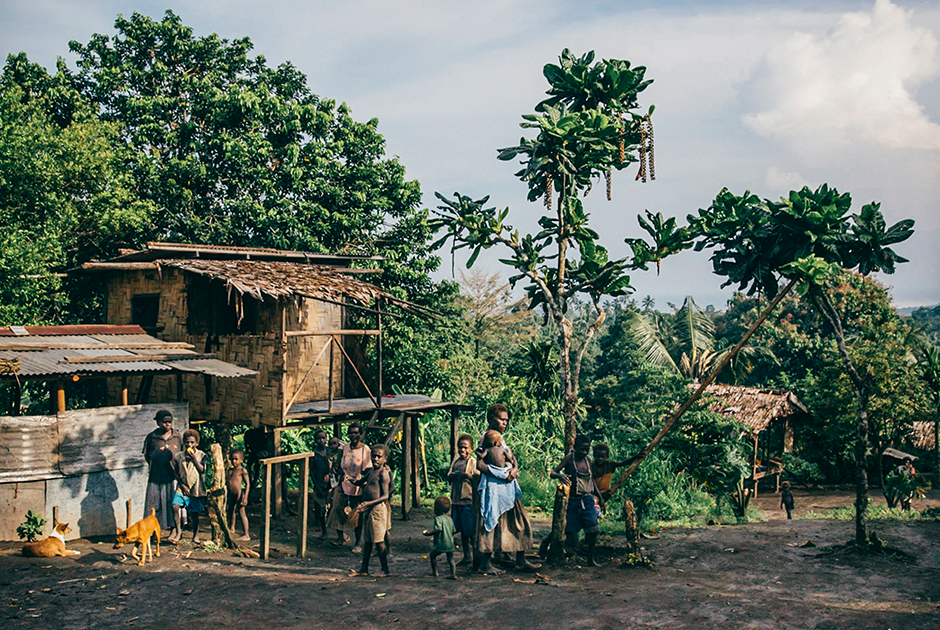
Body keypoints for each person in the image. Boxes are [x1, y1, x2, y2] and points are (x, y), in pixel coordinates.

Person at [473, 403, 541, 575]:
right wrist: (499, 474)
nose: (504, 423)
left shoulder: (501, 439)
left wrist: (514, 470)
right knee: (490, 523)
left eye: (506, 420)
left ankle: (520, 558)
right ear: (491, 419)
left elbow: (512, 458)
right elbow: (480, 464)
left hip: (508, 487)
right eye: (501, 419)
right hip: (493, 489)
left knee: (519, 520)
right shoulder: (485, 438)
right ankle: (485, 564)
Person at [551, 435, 605, 566]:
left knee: (593, 529)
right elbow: (552, 472)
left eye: (586, 449)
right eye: (582, 449)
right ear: (575, 448)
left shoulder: (587, 461)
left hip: (586, 499)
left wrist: (601, 499)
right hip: (572, 501)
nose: (584, 452)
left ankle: (591, 559)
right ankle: (570, 556)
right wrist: (560, 475)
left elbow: (592, 481)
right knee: (571, 531)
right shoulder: (569, 459)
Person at [326, 423, 371, 551]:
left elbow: (368, 470)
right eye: (351, 433)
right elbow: (340, 465)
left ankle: (357, 543)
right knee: (337, 509)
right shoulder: (345, 448)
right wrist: (338, 473)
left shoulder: (365, 450)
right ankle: (340, 538)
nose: (353, 435)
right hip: (343, 484)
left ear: (360, 434)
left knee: (357, 515)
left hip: (358, 486)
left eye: (356, 432)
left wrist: (358, 480)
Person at [350, 444, 393, 577]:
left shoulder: (383, 474)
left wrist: (369, 503)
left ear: (384, 459)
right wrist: (351, 480)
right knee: (368, 541)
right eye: (373, 456)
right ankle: (364, 569)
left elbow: (385, 496)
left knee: (379, 541)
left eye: (378, 457)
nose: (375, 459)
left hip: (377, 509)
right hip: (368, 509)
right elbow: (361, 482)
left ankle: (385, 570)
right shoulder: (370, 472)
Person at [142, 409, 182, 535]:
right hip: (155, 476)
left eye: (169, 422)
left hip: (172, 477)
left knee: (172, 505)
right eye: (164, 422)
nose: (167, 424)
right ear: (158, 423)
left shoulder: (177, 437)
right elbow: (147, 456)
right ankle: (152, 532)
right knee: (153, 506)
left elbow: (182, 455)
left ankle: (173, 530)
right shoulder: (152, 437)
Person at [169, 429, 207, 543]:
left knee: (194, 513)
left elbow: (202, 470)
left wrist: (194, 459)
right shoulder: (178, 456)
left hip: (196, 488)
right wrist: (182, 486)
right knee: (175, 506)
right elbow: (176, 472)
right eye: (187, 442)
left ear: (196, 443)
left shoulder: (201, 455)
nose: (189, 445)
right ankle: (178, 531)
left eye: (192, 442)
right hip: (182, 486)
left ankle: (195, 534)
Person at [447, 434, 478, 566]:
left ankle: (477, 556)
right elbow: (448, 476)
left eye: (465, 448)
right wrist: (453, 476)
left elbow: (478, 479)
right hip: (456, 500)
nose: (462, 450)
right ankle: (467, 555)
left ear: (471, 448)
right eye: (460, 448)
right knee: (462, 531)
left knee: (470, 530)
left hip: (468, 501)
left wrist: (468, 476)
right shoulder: (456, 461)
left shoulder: (473, 462)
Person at [424, 496, 458, 579]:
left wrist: (428, 533)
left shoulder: (438, 519)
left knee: (432, 556)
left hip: (440, 543)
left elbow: (438, 529)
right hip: (450, 543)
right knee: (451, 559)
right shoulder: (450, 519)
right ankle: (453, 574)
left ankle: (435, 572)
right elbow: (454, 530)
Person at [226, 449, 251, 541]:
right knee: (231, 510)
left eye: (236, 459)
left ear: (241, 460)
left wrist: (245, 497)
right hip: (231, 494)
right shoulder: (230, 470)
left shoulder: (242, 471)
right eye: (232, 459)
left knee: (242, 513)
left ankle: (246, 534)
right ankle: (232, 528)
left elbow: (248, 484)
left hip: (239, 494)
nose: (234, 461)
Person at [311, 430, 331, 539]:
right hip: (319, 484)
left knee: (332, 507)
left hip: (331, 484)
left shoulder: (330, 452)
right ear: (315, 440)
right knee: (321, 508)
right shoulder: (314, 454)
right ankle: (324, 532)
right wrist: (317, 486)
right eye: (319, 438)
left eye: (323, 438)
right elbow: (311, 472)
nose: (321, 440)